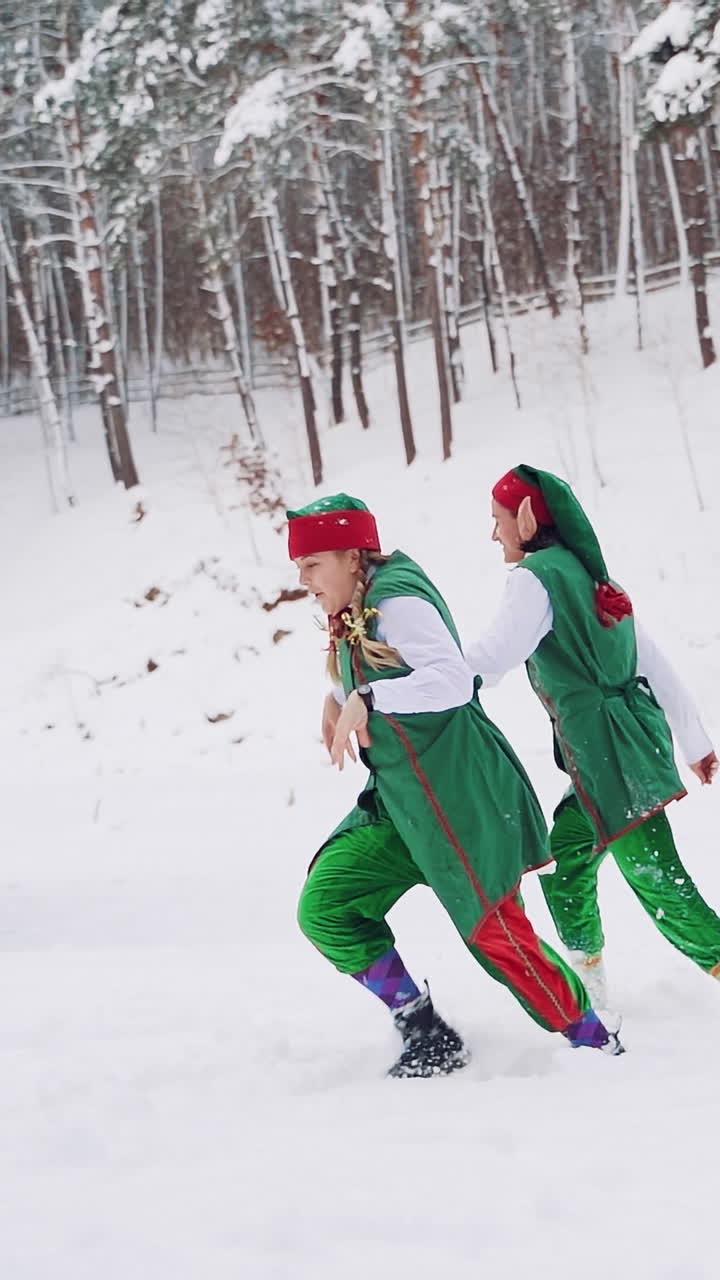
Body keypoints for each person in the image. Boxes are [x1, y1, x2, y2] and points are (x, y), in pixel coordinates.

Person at [288, 492, 624, 1078]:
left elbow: (451, 680)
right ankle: (426, 1033)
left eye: (312, 565)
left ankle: (595, 1042)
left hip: (460, 801)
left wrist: (367, 698)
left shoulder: (398, 600)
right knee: (328, 905)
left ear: (351, 556)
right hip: (401, 806)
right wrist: (336, 696)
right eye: (300, 567)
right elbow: (384, 671)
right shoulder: (356, 603)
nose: (304, 580)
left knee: (500, 939)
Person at [465, 464, 720, 1006]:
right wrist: (693, 741)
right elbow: (651, 662)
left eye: (498, 519)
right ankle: (590, 987)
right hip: (617, 750)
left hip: (611, 756)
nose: (493, 534)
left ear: (527, 518)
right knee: (566, 861)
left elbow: (492, 657)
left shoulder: (536, 577)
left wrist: (424, 680)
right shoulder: (591, 574)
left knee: (659, 883)